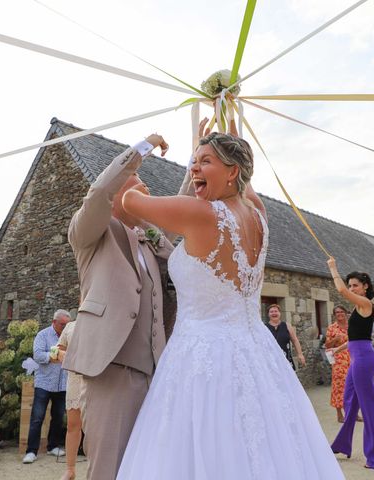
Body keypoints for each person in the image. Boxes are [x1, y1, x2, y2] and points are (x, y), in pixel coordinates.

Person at [115, 129, 345, 479]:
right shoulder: (259, 216)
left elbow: (130, 201)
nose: (194, 169)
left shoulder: (200, 213)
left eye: (205, 161)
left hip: (201, 356)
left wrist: (144, 159)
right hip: (256, 352)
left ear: (232, 171)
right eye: (193, 162)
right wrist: (220, 148)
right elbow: (246, 189)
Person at [61, 132, 177, 480]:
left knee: (146, 467)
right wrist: (143, 148)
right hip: (112, 366)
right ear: (117, 193)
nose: (147, 190)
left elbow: (181, 207)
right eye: (138, 182)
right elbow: (98, 192)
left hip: (155, 369)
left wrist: (196, 172)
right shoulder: (89, 234)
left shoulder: (149, 241)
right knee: (109, 467)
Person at [327, 261, 374, 469]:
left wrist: (332, 268)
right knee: (349, 400)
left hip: (364, 360)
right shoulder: (358, 308)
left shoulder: (365, 304)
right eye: (351, 285)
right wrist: (337, 350)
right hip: (358, 356)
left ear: (365, 286)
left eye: (355, 285)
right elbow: (356, 337)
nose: (352, 288)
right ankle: (343, 444)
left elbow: (340, 289)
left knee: (369, 406)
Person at [22, 309, 71, 464]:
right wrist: (52, 357)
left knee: (58, 417)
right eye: (63, 324)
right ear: (54, 322)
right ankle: (31, 451)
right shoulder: (43, 335)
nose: (65, 327)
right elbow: (37, 355)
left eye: (67, 325)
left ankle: (53, 446)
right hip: (44, 383)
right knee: (37, 417)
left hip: (63, 383)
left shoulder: (71, 336)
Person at [56, 319, 86, 480]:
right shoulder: (70, 326)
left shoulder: (104, 320)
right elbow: (57, 351)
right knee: (73, 425)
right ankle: (70, 469)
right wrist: (60, 354)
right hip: (74, 378)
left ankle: (95, 468)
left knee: (95, 429)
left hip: (97, 378)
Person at [325, 305, 351, 423]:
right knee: (339, 387)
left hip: (353, 358)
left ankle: (353, 413)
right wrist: (335, 339)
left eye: (341, 311)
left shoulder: (352, 326)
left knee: (353, 387)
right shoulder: (332, 328)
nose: (339, 314)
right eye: (337, 312)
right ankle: (340, 415)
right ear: (334, 314)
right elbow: (327, 346)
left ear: (346, 313)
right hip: (339, 361)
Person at [265, 303, 306, 370]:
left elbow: (295, 340)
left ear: (280, 313)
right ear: (268, 314)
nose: (274, 313)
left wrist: (300, 354)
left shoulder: (287, 325)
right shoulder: (264, 328)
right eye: (271, 312)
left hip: (286, 359)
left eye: (276, 311)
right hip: (271, 360)